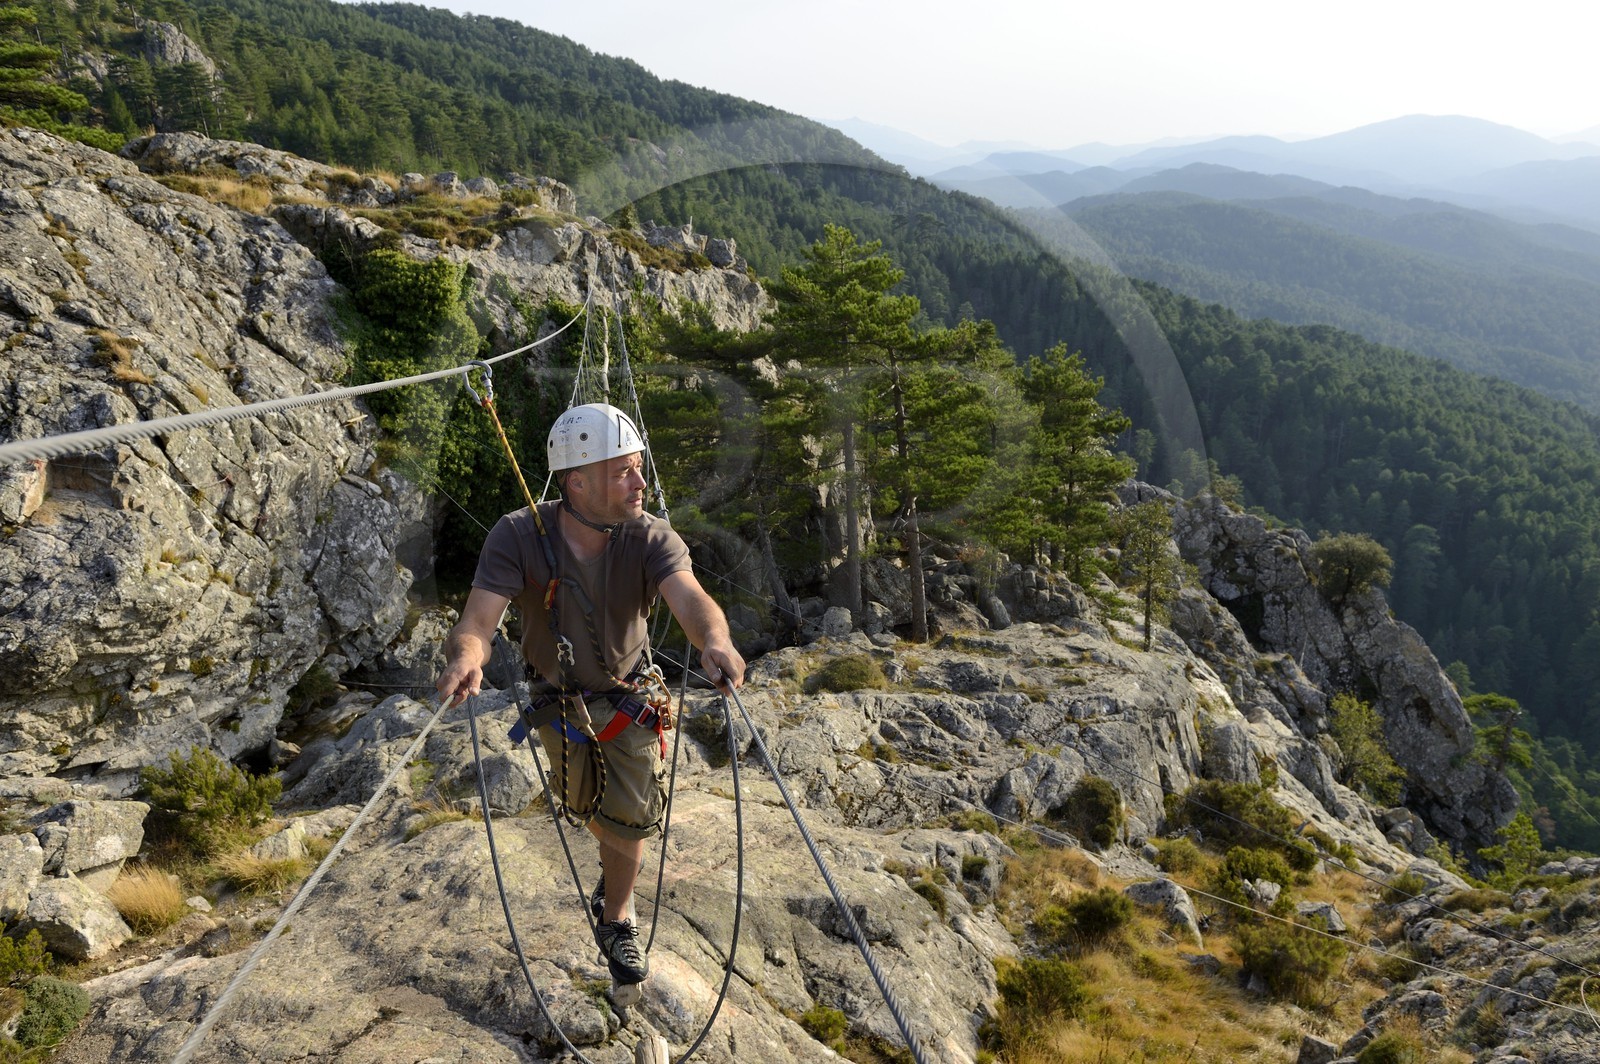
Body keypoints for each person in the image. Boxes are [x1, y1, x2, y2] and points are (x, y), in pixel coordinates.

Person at [435, 402, 745, 995]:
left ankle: (616, 917)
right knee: (586, 808)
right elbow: (478, 618)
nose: (640, 482)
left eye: (638, 467)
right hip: (556, 701)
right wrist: (467, 657)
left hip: (626, 699)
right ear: (575, 482)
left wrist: (715, 642)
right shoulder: (519, 534)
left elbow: (690, 597)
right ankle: (614, 872)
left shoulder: (650, 536)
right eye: (623, 471)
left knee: (628, 816)